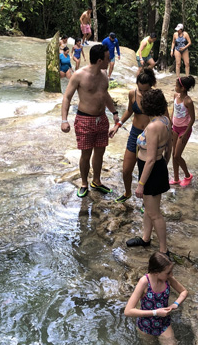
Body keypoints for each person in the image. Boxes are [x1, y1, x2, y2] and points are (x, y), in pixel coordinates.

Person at [61, 43, 119, 197]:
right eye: (107, 58)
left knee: (100, 152)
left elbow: (105, 95)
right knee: (85, 154)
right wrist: (64, 120)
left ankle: (97, 181)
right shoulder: (79, 75)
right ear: (100, 60)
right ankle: (84, 183)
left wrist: (114, 112)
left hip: (101, 119)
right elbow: (67, 97)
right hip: (84, 119)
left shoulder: (104, 75)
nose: (110, 60)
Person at [126, 88, 171, 253]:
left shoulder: (153, 127)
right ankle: (146, 238)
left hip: (150, 169)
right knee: (150, 208)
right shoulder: (166, 121)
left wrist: (141, 184)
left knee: (155, 214)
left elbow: (150, 158)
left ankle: (163, 250)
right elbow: (169, 146)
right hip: (157, 167)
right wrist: (165, 162)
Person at [124, 251, 188, 345]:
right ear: (156, 272)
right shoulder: (144, 282)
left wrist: (175, 304)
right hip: (146, 326)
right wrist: (155, 312)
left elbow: (184, 292)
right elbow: (128, 311)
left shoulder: (168, 279)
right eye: (168, 272)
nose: (171, 275)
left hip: (164, 324)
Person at [109, 68, 158, 203]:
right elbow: (129, 111)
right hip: (135, 134)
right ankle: (127, 192)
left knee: (147, 172)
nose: (142, 93)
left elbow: (165, 118)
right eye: (140, 89)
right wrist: (117, 126)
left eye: (145, 90)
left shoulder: (156, 96)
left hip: (150, 136)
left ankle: (147, 201)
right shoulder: (132, 94)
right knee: (126, 170)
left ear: (151, 86)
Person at [171, 75, 195, 187]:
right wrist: (170, 124)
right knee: (173, 153)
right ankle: (176, 178)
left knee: (177, 155)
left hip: (184, 130)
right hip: (175, 128)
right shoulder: (175, 96)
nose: (175, 87)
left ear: (183, 88)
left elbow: (193, 119)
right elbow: (174, 111)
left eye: (177, 85)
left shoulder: (188, 101)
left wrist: (185, 134)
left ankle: (187, 175)